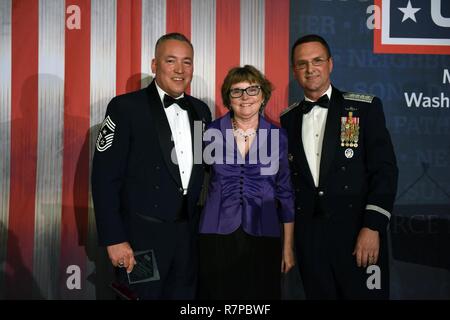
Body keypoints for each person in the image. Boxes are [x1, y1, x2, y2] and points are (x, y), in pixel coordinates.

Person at [91, 32, 211, 299]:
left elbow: (202, 170)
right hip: (140, 243)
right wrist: (114, 238)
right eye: (171, 61)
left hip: (187, 241)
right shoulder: (126, 107)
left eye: (187, 62)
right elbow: (104, 178)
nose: (180, 70)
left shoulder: (201, 112)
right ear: (154, 65)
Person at [280, 34, 398, 299]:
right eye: (302, 64)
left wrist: (373, 226)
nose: (311, 69)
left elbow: (385, 170)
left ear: (330, 64)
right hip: (311, 241)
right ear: (294, 70)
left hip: (358, 234)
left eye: (317, 60)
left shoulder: (364, 108)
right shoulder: (287, 119)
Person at [198, 65, 295, 300]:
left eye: (252, 90)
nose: (245, 97)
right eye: (237, 91)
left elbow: (285, 193)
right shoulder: (209, 132)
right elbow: (192, 184)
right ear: (228, 98)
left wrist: (287, 247)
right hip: (216, 234)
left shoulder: (278, 136)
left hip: (265, 234)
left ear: (263, 96)